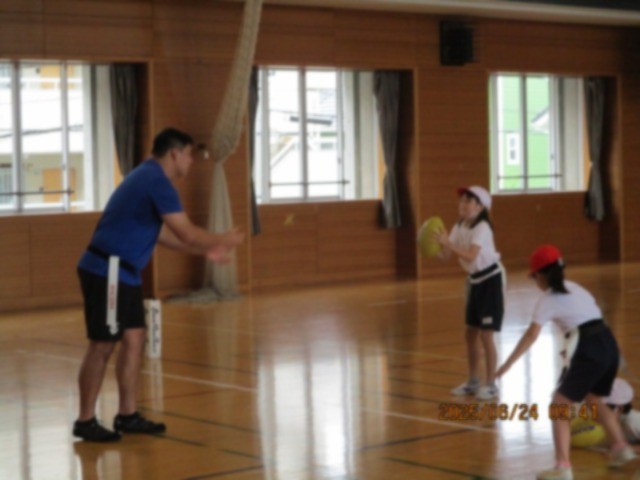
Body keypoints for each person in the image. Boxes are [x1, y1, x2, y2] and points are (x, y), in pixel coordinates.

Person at [73, 127, 245, 442]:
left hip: (125, 273)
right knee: (102, 344)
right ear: (174, 154)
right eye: (189, 155)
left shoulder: (148, 178)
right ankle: (85, 420)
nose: (191, 162)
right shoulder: (156, 181)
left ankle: (127, 415)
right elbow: (187, 232)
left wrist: (206, 250)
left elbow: (164, 235)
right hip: (108, 270)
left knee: (135, 338)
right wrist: (222, 238)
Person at [495, 244, 637, 480]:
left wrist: (507, 364)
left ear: (541, 275)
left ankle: (562, 467)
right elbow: (592, 318)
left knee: (558, 407)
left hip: (590, 348)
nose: (535, 282)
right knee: (594, 399)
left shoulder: (547, 300)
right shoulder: (577, 288)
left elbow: (531, 335)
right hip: (608, 343)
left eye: (534, 277)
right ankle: (621, 448)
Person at [434, 185, 504, 401]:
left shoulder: (483, 227)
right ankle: (473, 381)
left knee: (486, 335)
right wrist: (433, 246)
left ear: (480, 207)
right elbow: (446, 256)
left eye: (468, 201)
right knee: (470, 334)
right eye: (462, 200)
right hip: (474, 281)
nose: (463, 204)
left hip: (490, 281)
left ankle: (491, 384)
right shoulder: (459, 225)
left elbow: (471, 255)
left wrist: (448, 243)